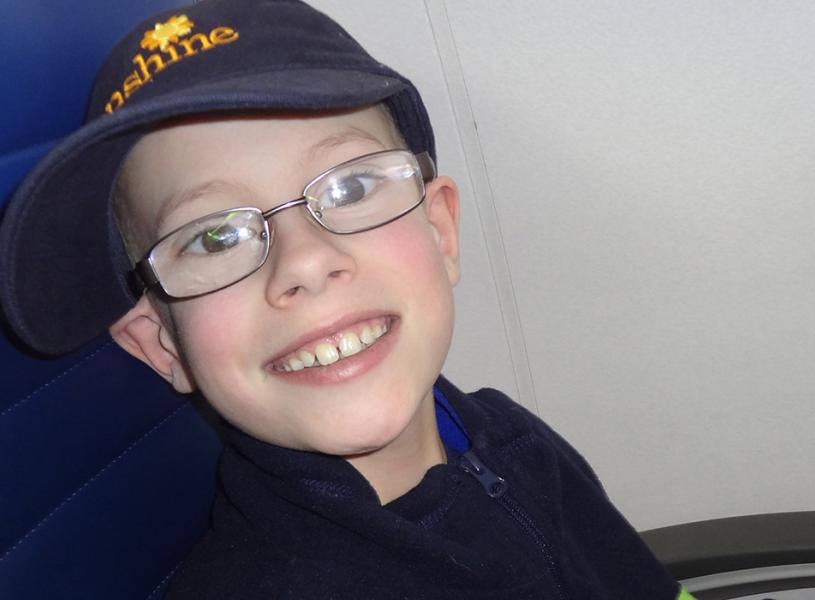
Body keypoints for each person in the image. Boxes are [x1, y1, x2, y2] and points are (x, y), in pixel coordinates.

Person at [0, 1, 692, 597]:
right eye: (213, 239)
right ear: (162, 343)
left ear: (442, 230)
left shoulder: (506, 438)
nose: (304, 261)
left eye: (352, 188)